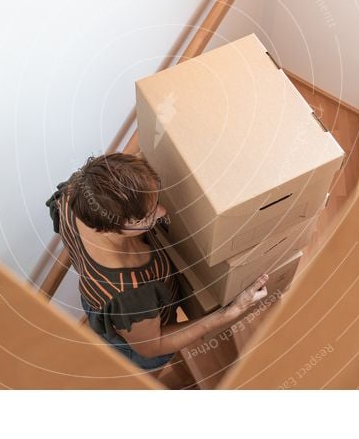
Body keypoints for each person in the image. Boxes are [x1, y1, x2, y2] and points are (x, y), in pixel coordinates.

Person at [45, 152, 270, 372]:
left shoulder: (76, 193)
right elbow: (153, 347)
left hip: (105, 303)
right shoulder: (130, 292)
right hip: (135, 333)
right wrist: (229, 313)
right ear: (112, 228)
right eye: (147, 216)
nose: (162, 212)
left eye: (156, 201)